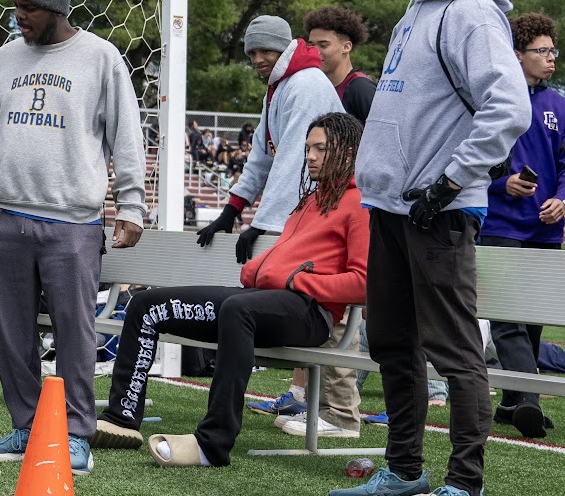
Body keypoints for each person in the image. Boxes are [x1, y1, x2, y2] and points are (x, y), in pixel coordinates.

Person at [327, 0, 529, 496]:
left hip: (438, 209)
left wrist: (450, 181)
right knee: (392, 343)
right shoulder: (418, 10)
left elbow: (509, 107)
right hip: (392, 207)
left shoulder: (472, 12)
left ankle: (467, 488)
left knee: (455, 351)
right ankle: (405, 469)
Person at [93, 112, 368, 465]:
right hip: (265, 301)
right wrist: (258, 269)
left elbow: (362, 284)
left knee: (238, 310)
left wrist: (294, 280)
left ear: (349, 153)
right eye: (308, 149)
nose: (310, 157)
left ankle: (212, 444)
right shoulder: (310, 201)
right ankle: (122, 418)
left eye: (321, 149)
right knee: (147, 305)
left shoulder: (360, 205)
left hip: (311, 315)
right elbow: (284, 261)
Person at [0, 0, 146, 475]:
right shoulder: (5, 58)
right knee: (10, 333)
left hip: (71, 222)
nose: (19, 16)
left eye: (29, 7)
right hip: (4, 216)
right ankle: (27, 427)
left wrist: (132, 206)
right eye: (15, 5)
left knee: (75, 332)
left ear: (56, 7)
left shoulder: (100, 58)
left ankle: (75, 434)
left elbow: (127, 135)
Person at [479, 12, 565, 439]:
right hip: (500, 224)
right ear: (516, 54)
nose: (551, 57)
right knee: (508, 319)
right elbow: (470, 161)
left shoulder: (561, 107)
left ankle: (511, 403)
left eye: (552, 50)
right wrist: (502, 183)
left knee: (534, 320)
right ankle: (529, 401)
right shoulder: (490, 101)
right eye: (541, 51)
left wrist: (564, 199)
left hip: (546, 229)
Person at [195, 15, 342, 262]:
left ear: (283, 49)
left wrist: (262, 224)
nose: (257, 60)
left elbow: (295, 160)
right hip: (310, 204)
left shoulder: (306, 84)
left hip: (328, 204)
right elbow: (262, 155)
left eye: (265, 51)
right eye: (252, 53)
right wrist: (231, 210)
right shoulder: (279, 86)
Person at [305, 6, 376, 123]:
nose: (315, 51)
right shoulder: (316, 88)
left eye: (323, 45)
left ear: (346, 47)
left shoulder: (361, 89)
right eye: (311, 45)